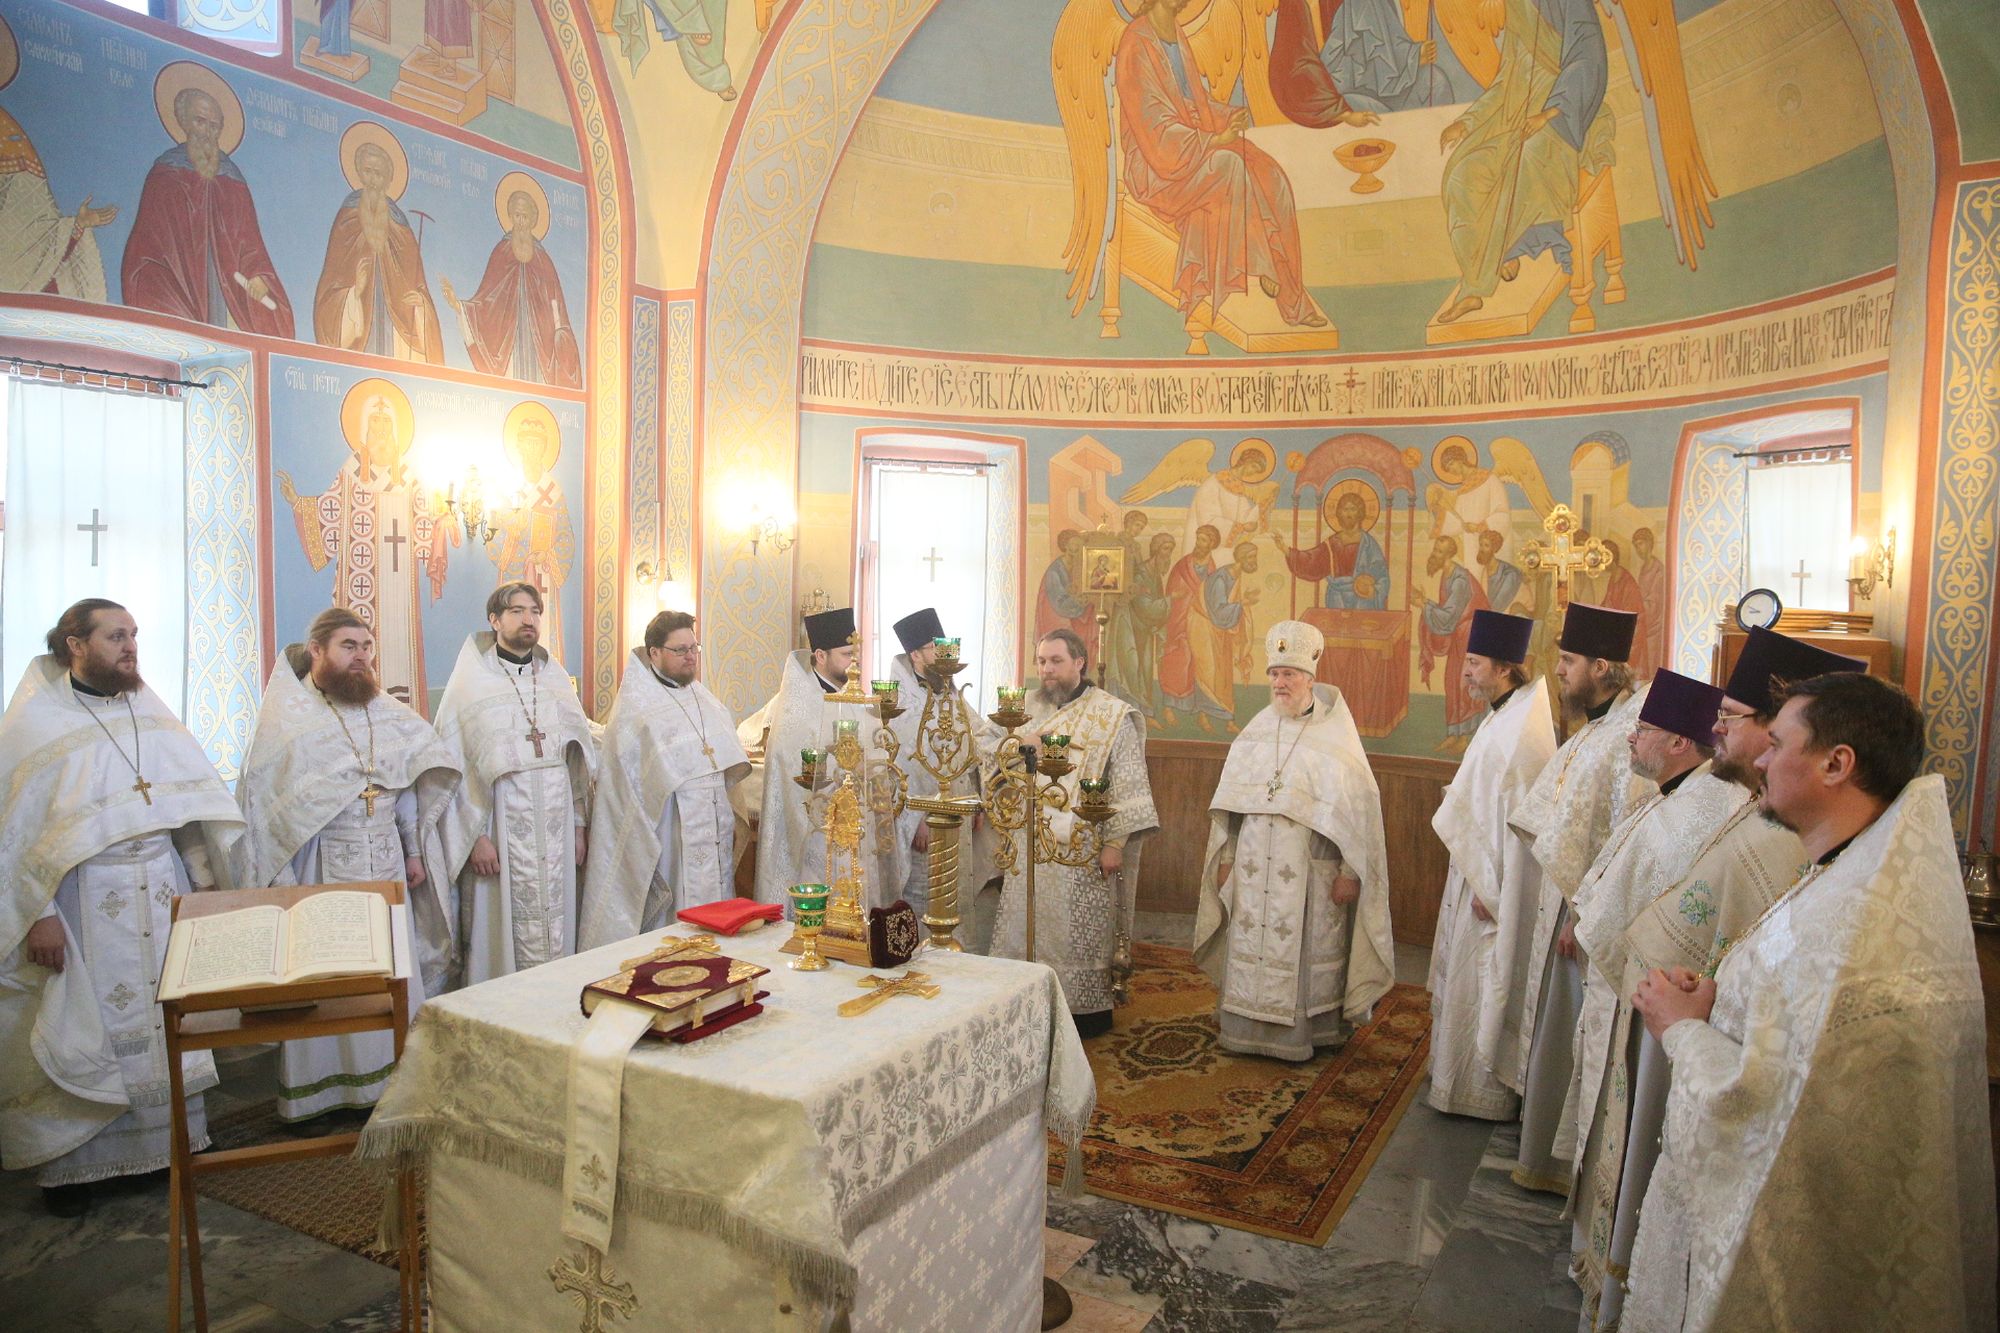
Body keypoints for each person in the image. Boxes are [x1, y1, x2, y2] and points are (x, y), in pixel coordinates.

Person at [1627, 674, 1995, 1331]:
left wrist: (1683, 1031)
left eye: (1777, 744)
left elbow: (1773, 1117)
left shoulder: (1853, 934)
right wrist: (1717, 1003)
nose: (1761, 761)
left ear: (1836, 763)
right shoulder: (1850, 877)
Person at [1572, 630, 1861, 1331]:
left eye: (1735, 719)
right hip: (1685, 1029)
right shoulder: (1758, 809)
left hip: (1713, 1061)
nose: (1722, 733)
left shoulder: (1790, 836)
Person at [0, 600, 242, 1217]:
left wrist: (204, 885)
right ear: (75, 645)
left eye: (133, 634)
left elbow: (187, 812)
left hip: (160, 888)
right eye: (115, 636)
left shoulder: (149, 712)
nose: (130, 646)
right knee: (85, 1021)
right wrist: (39, 915)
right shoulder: (36, 725)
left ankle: (168, 1149)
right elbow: (17, 840)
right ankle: (74, 1167)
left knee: (166, 1014)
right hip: (84, 899)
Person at [236, 608, 461, 1120]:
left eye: (366, 646)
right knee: (329, 976)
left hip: (386, 862)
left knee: (390, 972)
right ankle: (325, 1095)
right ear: (317, 650)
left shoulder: (384, 711)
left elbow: (406, 786)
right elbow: (269, 814)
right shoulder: (287, 721)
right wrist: (284, 884)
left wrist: (413, 851)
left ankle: (395, 1083)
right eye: (348, 646)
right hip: (322, 867)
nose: (361, 657)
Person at [1561, 669, 1745, 1294]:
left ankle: (1614, 1266)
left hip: (1650, 1008)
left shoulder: (1697, 813)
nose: (1631, 738)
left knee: (1632, 1131)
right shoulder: (1673, 796)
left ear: (1679, 743)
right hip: (1627, 994)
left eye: (1643, 730)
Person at [1193, 620, 1394, 1059]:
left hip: (1307, 869)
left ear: (1309, 678)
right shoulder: (1257, 730)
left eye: (1288, 674)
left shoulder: (1335, 736)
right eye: (1274, 674)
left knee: (1299, 946)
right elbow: (1232, 807)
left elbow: (1356, 814)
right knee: (1250, 941)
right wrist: (1226, 858)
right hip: (1252, 865)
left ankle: (1303, 1034)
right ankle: (1244, 1028)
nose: (1279, 683)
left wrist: (1349, 871)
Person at [1509, 602, 1648, 1194]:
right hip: (1565, 905)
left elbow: (1622, 835)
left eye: (1568, 660)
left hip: (1585, 920)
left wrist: (1581, 914)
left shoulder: (1626, 736)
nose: (1559, 671)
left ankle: (1561, 1161)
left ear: (1601, 666)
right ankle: (1541, 1149)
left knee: (1573, 1033)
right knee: (1556, 1029)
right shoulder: (1597, 728)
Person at [1115, 0, 1325, 330]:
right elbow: (1153, 126)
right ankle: (1266, 264)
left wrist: (1228, 116)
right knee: (1228, 165)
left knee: (1271, 174)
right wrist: (1213, 140)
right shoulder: (1135, 43)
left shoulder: (1176, 33)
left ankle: (1293, 300)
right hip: (1156, 166)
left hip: (1192, 144)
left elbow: (1194, 102)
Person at [992, 630, 1157, 1037]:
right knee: (1027, 924)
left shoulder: (1113, 715)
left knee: (1077, 934)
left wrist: (1114, 845)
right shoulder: (1027, 710)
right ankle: (1022, 1004)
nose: (1046, 670)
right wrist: (1020, 746)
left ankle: (1082, 1013)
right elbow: (996, 768)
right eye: (1041, 661)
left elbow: (1129, 783)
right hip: (1030, 840)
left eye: (1056, 661)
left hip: (1083, 848)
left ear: (1079, 662)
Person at [1426, 610, 1554, 1118]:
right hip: (1476, 868)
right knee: (1464, 977)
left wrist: (1493, 886)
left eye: (1475, 663)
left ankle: (1481, 1090)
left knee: (1483, 976)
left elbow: (1517, 821)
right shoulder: (1504, 715)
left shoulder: (1523, 730)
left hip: (1493, 882)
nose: (1466, 673)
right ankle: (1454, 1077)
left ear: (1504, 668)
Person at [432, 583, 594, 984]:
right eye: (518, 611)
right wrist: (475, 838)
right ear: (495, 620)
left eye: (535, 611)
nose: (529, 619)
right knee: (499, 927)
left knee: (557, 921)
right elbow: (454, 768)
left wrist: (578, 825)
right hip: (499, 830)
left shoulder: (555, 678)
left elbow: (576, 760)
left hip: (556, 828)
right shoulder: (470, 684)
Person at [1435, 0, 1612, 326]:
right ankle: (1478, 275)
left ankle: (1503, 253)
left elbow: (1590, 59)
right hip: (1516, 117)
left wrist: (1552, 112)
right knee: (1462, 173)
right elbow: (1506, 80)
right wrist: (1467, 122)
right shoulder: (1517, 6)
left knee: (1528, 158)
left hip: (1565, 114)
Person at [580, 610, 750, 947]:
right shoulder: (636, 710)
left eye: (694, 648)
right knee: (677, 925)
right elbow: (623, 790)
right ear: (654, 652)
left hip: (713, 830)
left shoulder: (706, 701)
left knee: (717, 916)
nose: (690, 656)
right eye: (680, 649)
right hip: (670, 833)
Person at [122, 85, 293, 336]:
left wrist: (257, 276)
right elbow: (148, 246)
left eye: (214, 126)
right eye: (200, 121)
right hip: (180, 285)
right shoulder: (166, 174)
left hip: (228, 293)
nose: (208, 132)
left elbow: (250, 242)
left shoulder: (232, 179)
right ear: (184, 122)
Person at [740, 607, 874, 905]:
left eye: (856, 655)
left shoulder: (853, 698)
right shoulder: (795, 706)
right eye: (847, 655)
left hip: (851, 825)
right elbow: (791, 771)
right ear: (821, 656)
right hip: (814, 829)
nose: (855, 663)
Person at [882, 608, 997, 923]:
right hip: (923, 822)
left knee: (954, 897)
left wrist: (976, 801)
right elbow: (894, 766)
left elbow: (976, 746)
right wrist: (916, 818)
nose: (943, 655)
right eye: (935, 648)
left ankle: (953, 950)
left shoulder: (951, 693)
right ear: (915, 654)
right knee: (922, 897)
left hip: (958, 813)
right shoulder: (899, 702)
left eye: (945, 647)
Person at [312, 139, 443, 362]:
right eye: (368, 171)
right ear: (359, 174)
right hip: (360, 324)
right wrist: (354, 292)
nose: (373, 180)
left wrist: (421, 305)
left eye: (379, 174)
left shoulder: (400, 224)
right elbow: (332, 281)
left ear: (388, 179)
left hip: (397, 328)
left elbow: (417, 281)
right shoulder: (348, 217)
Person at [442, 187, 583, 389]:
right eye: (517, 216)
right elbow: (486, 299)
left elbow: (557, 307)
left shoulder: (544, 260)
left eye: (525, 216)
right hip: (509, 340)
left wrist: (561, 334)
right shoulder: (501, 252)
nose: (521, 222)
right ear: (510, 217)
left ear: (533, 220)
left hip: (540, 348)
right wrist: (459, 306)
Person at [1419, 534, 1490, 751]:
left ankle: (1465, 737)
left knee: (1464, 683)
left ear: (1449, 554)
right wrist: (1426, 605)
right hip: (1459, 635)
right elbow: (1448, 614)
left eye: (1439, 551)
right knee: (1451, 681)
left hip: (1471, 635)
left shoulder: (1460, 579)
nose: (1434, 554)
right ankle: (1454, 733)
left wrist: (1424, 604)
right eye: (1435, 549)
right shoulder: (1447, 574)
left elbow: (1449, 615)